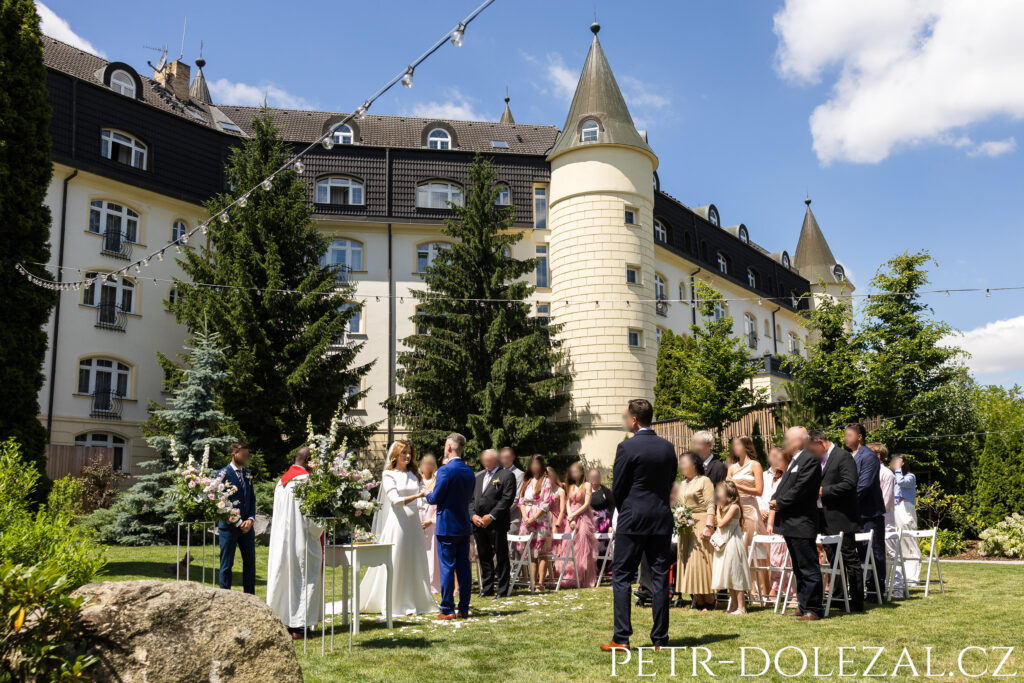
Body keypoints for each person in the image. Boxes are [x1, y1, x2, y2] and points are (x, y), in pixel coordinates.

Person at [600, 399, 677, 653]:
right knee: (660, 577)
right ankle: (660, 639)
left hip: (633, 519)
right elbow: (668, 484)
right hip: (661, 518)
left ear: (633, 420)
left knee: (622, 576)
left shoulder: (627, 447)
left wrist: (628, 508)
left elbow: (618, 487)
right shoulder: (668, 447)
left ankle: (621, 637)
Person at [360, 441, 437, 616]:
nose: (408, 456)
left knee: (415, 559)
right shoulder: (388, 474)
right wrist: (419, 494)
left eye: (409, 453)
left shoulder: (414, 473)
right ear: (396, 455)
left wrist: (432, 496)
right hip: (398, 523)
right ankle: (393, 601)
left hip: (414, 524)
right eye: (404, 453)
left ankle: (416, 599)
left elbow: (423, 498)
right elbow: (395, 501)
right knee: (397, 559)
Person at [266, 447, 324, 639]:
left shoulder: (282, 482)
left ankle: (284, 621)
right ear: (308, 460)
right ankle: (300, 628)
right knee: (305, 578)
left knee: (286, 580)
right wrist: (324, 525)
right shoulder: (306, 481)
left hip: (283, 540)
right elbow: (313, 518)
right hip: (302, 538)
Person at [807, 429, 864, 613]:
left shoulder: (843, 457)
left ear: (821, 443)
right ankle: (839, 597)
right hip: (823, 516)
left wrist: (825, 491)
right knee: (832, 558)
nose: (812, 454)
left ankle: (857, 601)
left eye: (813, 449)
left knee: (849, 557)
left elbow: (850, 483)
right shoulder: (819, 460)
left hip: (842, 516)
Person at [770, 427, 823, 621]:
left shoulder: (809, 459)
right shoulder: (795, 460)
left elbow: (802, 488)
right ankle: (803, 605)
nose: (785, 442)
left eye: (787, 439)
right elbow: (786, 485)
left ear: (799, 441)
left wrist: (780, 502)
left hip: (802, 522)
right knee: (798, 567)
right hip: (791, 522)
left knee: (808, 566)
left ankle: (814, 609)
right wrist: (775, 498)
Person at [425, 433, 476, 619]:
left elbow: (435, 498)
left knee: (447, 567)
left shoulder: (445, 470)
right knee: (464, 568)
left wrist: (426, 494)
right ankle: (464, 607)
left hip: (447, 525)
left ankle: (447, 609)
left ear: (448, 447)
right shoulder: (469, 471)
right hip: (463, 525)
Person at [846, 423, 886, 598]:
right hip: (856, 513)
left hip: (870, 512)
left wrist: (846, 501)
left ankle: (875, 590)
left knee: (874, 550)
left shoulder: (868, 456)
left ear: (860, 436)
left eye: (849, 435)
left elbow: (865, 484)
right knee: (861, 551)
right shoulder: (850, 456)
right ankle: (863, 587)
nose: (846, 438)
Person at [470, 449, 517, 598]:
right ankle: (487, 587)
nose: (485, 462)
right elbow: (471, 500)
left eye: (488, 460)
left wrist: (491, 516)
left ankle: (502, 589)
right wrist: (473, 516)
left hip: (496, 523)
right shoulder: (478, 477)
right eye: (483, 460)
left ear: (496, 460)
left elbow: (507, 499)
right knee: (484, 556)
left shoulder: (506, 475)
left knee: (501, 555)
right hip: (478, 523)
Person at [727, 435, 768, 597]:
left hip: (751, 510)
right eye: (734, 446)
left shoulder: (755, 465)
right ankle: (742, 590)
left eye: (738, 445)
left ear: (746, 447)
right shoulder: (731, 468)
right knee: (739, 550)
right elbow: (728, 490)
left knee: (754, 550)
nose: (735, 448)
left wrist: (738, 486)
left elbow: (759, 490)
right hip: (736, 510)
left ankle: (760, 591)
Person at [676, 450, 716, 611]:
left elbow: (711, 503)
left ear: (694, 464)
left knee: (700, 562)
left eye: (684, 462)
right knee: (688, 561)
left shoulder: (704, 481)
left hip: (700, 523)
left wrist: (709, 526)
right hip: (685, 527)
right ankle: (698, 598)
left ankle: (709, 598)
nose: (682, 466)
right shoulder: (683, 484)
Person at [218, 442, 257, 594]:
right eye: (244, 454)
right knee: (227, 565)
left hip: (247, 528)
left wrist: (251, 519)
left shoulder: (248, 473)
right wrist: (239, 521)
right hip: (229, 528)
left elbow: (252, 499)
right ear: (234, 454)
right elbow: (220, 502)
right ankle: (225, 598)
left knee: (250, 564)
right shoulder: (223, 474)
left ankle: (250, 597)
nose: (247, 457)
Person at [711, 480, 753, 614]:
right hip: (724, 544)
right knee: (728, 575)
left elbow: (721, 523)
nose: (717, 494)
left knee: (736, 575)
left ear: (728, 493)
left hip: (733, 544)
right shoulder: (724, 507)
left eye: (719, 491)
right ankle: (734, 605)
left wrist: (717, 509)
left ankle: (741, 606)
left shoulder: (734, 507)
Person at [516, 454, 554, 593]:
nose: (534, 467)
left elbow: (546, 502)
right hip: (527, 518)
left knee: (542, 552)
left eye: (537, 464)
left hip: (541, 519)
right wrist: (526, 517)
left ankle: (540, 583)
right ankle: (532, 582)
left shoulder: (546, 481)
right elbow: (521, 501)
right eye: (532, 464)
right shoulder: (527, 481)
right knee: (530, 553)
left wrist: (534, 518)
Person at [558, 461, 597, 588]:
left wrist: (574, 514)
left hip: (583, 517)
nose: (574, 474)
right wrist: (570, 518)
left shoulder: (587, 485)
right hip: (572, 519)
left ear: (581, 472)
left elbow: (586, 504)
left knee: (583, 547)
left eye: (576, 471)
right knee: (570, 547)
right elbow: (568, 503)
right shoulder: (570, 486)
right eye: (572, 472)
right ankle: (571, 577)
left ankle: (584, 578)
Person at [762, 446, 790, 598]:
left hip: (789, 522)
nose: (776, 462)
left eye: (780, 459)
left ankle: (788, 591)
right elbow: (773, 504)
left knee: (788, 559)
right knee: (775, 558)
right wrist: (770, 524)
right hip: (777, 524)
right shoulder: (777, 480)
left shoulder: (792, 477)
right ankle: (775, 587)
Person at [869, 443, 896, 594]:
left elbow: (885, 502)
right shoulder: (870, 472)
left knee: (886, 554)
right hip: (870, 520)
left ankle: (886, 587)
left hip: (885, 521)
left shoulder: (887, 474)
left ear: (878, 456)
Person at [892, 454, 921, 587]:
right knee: (899, 543)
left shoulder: (910, 476)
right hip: (896, 509)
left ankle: (913, 578)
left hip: (906, 509)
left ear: (903, 463)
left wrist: (897, 469)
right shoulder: (893, 477)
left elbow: (902, 482)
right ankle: (901, 576)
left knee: (910, 543)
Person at [419, 453, 441, 593]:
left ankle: (433, 582)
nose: (427, 467)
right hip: (418, 517)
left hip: (431, 520)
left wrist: (431, 521)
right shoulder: (417, 480)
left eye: (430, 464)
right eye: (424, 464)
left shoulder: (437, 480)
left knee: (432, 552)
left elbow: (439, 502)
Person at [499, 447, 525, 531]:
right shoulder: (498, 473)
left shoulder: (519, 474)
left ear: (513, 457)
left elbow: (517, 497)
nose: (504, 460)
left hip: (512, 517)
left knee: (510, 543)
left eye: (507, 457)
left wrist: (501, 512)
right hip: (496, 517)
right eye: (502, 458)